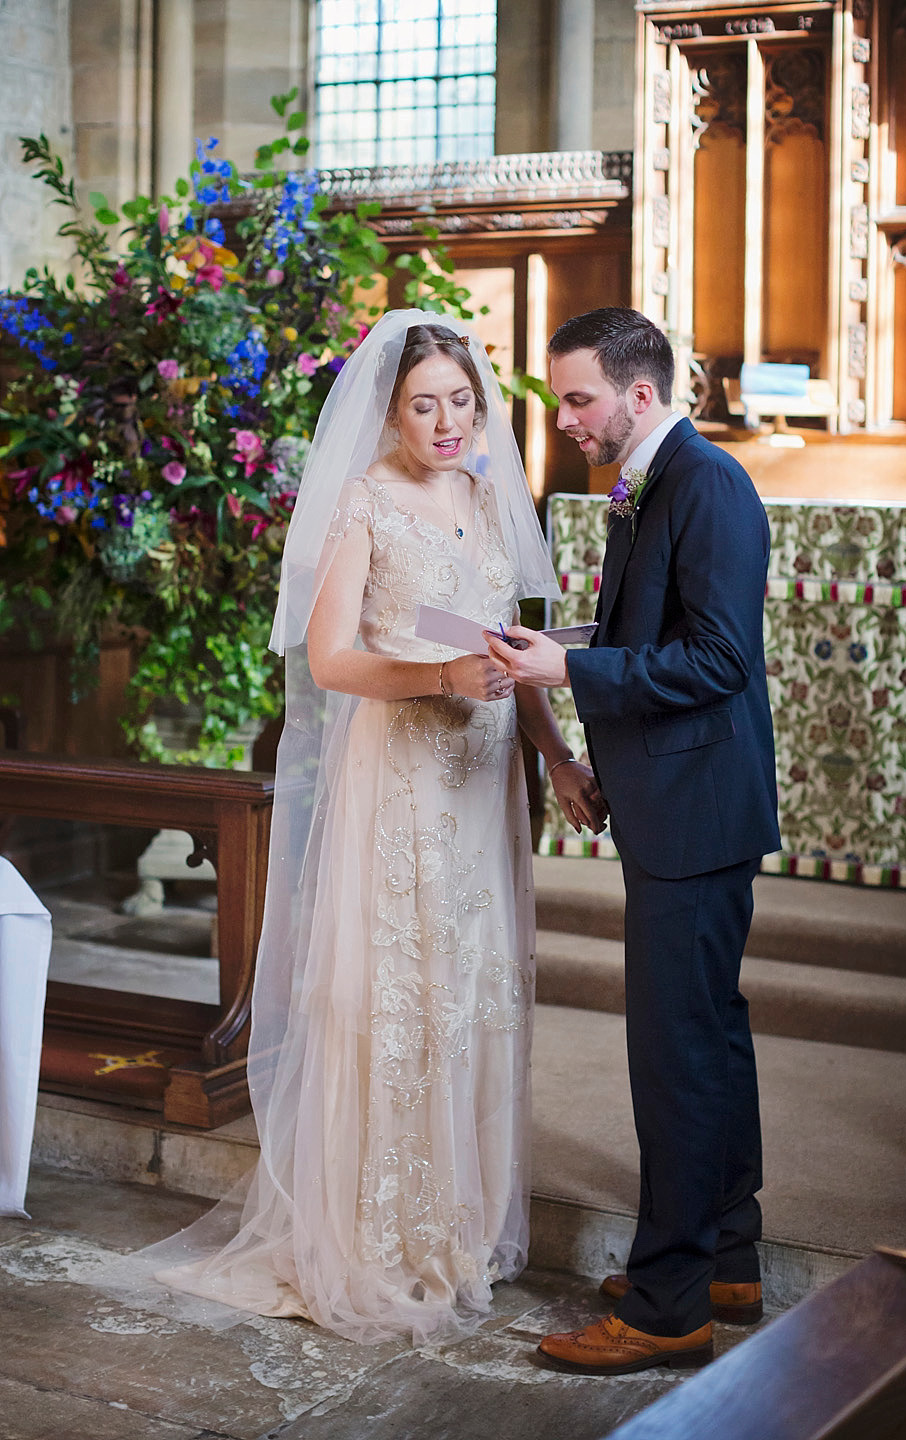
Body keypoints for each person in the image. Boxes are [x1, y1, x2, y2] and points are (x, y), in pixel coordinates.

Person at [136, 309, 605, 1347]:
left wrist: (557, 753)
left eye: (460, 403)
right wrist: (438, 674)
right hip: (398, 777)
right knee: (400, 995)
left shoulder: (488, 499)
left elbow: (513, 649)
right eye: (425, 404)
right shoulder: (364, 504)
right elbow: (330, 659)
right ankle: (387, 1237)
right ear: (390, 412)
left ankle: (460, 1227)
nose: (446, 421)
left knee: (471, 991)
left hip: (483, 781)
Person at [486, 306, 781, 1375]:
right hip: (675, 798)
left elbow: (718, 663)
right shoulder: (648, 483)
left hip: (699, 811)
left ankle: (667, 1311)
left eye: (578, 398)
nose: (562, 418)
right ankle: (727, 1261)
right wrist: (574, 657)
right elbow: (656, 639)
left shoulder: (705, 485)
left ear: (641, 396)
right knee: (708, 1038)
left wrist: (571, 674)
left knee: (674, 1058)